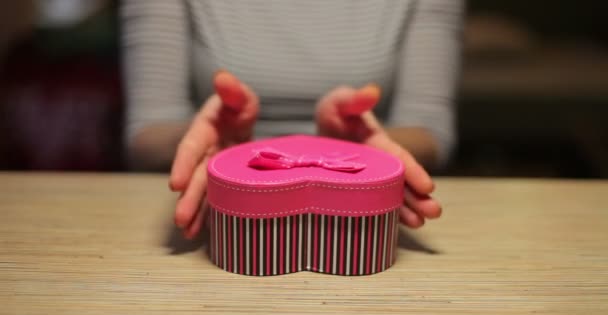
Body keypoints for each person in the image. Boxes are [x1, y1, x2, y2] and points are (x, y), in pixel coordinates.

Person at [120, 0, 464, 238]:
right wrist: (219, 146)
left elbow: (430, 131)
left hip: (357, 188)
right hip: (221, 204)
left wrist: (353, 150)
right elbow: (147, 132)